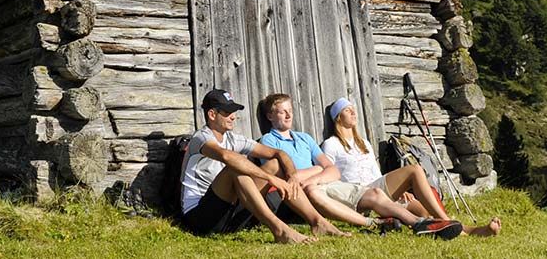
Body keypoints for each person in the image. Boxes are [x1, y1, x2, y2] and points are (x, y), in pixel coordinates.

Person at [257, 93, 466, 239]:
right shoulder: (268, 141)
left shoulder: (304, 138)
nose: (288, 115)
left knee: (375, 192)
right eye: (282, 111)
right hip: (305, 193)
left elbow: (332, 170)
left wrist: (315, 173)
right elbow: (278, 173)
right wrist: (317, 171)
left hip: (323, 185)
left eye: (290, 110)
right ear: (269, 116)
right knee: (314, 188)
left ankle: (426, 224)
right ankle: (381, 223)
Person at [179, 88, 346, 243]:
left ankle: (318, 222)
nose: (233, 116)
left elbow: (279, 154)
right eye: (228, 112)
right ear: (212, 114)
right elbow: (226, 157)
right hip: (201, 216)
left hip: (230, 215)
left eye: (234, 112)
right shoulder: (200, 138)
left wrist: (292, 176)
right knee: (234, 170)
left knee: (274, 164)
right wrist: (270, 179)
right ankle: (280, 230)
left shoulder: (233, 139)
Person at [321, 97, 502, 238]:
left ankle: (468, 231)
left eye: (353, 109)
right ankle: (450, 221)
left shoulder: (364, 144)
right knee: (414, 170)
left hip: (377, 188)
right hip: (357, 194)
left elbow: (376, 174)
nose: (353, 113)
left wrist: (397, 188)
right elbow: (330, 177)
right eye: (347, 110)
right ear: (338, 117)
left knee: (421, 210)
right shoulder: (331, 144)